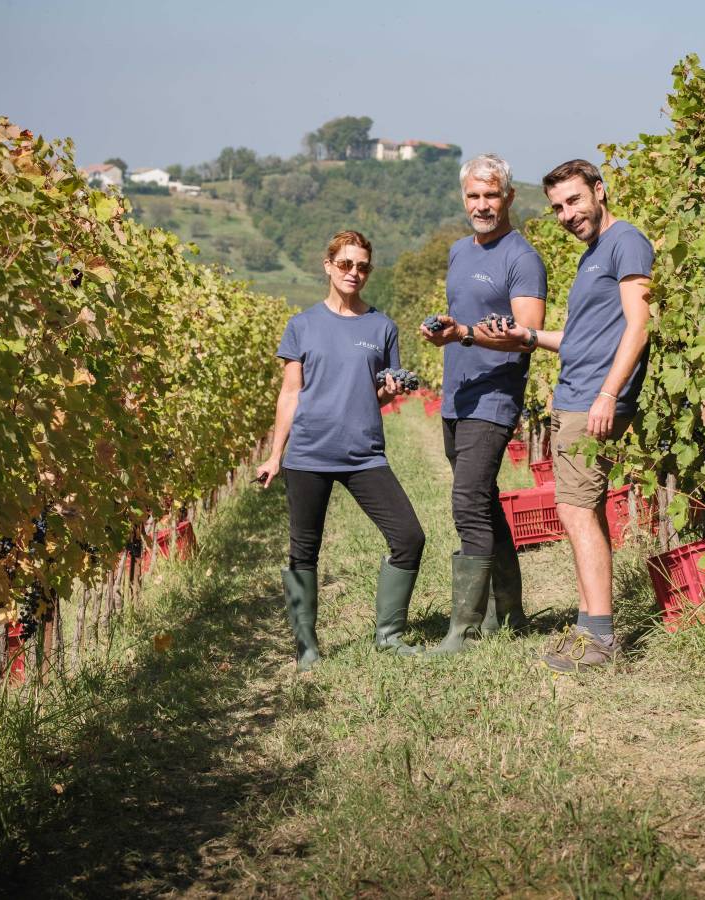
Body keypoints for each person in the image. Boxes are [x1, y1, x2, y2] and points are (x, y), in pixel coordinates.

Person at [504, 159, 653, 673]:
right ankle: (593, 627)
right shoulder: (594, 255)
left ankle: (601, 638)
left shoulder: (625, 241)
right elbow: (581, 340)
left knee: (575, 510)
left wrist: (609, 394)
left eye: (574, 201)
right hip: (577, 395)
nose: (567, 214)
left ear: (599, 190)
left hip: (593, 399)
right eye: (557, 208)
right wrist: (525, 338)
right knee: (579, 509)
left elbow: (639, 325)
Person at [257, 230, 425, 671]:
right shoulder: (303, 325)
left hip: (364, 453)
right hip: (309, 453)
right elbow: (290, 394)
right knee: (303, 550)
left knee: (409, 537)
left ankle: (388, 636)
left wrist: (388, 394)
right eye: (346, 264)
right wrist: (276, 455)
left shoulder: (382, 327)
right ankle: (307, 646)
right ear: (328, 265)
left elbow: (376, 394)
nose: (355, 273)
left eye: (363, 266)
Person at [419, 154, 547, 654]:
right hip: (457, 393)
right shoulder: (458, 251)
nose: (482, 204)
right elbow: (462, 318)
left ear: (509, 197)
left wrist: (466, 334)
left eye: (491, 195)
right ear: (464, 198)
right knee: (485, 500)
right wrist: (443, 330)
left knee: (467, 501)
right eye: (474, 196)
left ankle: (465, 628)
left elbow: (526, 336)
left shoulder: (522, 258)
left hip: (494, 396)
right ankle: (508, 611)